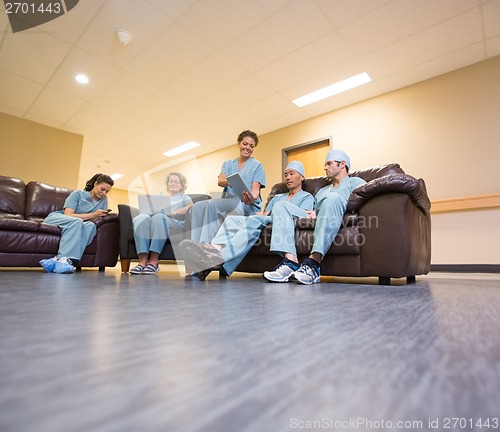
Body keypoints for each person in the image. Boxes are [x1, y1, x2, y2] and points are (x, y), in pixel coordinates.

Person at [179, 161, 314, 280]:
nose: (288, 177)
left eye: (292, 173)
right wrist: (257, 215)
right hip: (269, 220)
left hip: (284, 221)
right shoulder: (277, 197)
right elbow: (265, 214)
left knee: (255, 220)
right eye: (286, 174)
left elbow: (303, 217)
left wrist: (260, 217)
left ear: (301, 177)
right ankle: (215, 248)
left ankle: (216, 259)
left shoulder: (307, 197)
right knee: (232, 220)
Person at [263, 149, 366, 285]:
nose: (325, 167)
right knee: (280, 206)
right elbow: (313, 212)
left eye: (329, 164)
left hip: (336, 215)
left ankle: (313, 264)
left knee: (332, 198)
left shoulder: (355, 182)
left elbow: (362, 199)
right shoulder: (322, 191)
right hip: (315, 217)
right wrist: (313, 213)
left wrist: (323, 211)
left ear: (342, 164)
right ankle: (290, 262)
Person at [188, 130, 266, 244]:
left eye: (251, 146)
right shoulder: (228, 164)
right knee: (197, 207)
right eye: (245, 144)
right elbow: (220, 181)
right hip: (229, 202)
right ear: (239, 143)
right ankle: (193, 243)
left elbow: (255, 192)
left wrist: (251, 197)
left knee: (212, 203)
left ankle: (205, 244)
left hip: (246, 205)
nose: (248, 147)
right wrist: (229, 181)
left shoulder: (258, 166)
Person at [39, 173, 114, 274]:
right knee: (77, 221)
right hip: (58, 218)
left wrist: (100, 215)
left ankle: (60, 260)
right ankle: (63, 260)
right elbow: (68, 215)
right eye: (102, 189)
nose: (104, 193)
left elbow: (94, 220)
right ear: (95, 184)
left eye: (107, 191)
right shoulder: (77, 194)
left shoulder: (103, 200)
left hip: (78, 224)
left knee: (91, 226)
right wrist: (94, 215)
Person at [130, 172, 193, 275]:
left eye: (176, 182)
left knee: (159, 218)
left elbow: (191, 207)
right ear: (167, 184)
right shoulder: (160, 196)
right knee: (141, 218)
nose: (173, 183)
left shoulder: (184, 198)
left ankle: (154, 262)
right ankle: (142, 262)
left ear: (181, 185)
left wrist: (175, 212)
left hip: (173, 220)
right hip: (155, 217)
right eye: (171, 181)